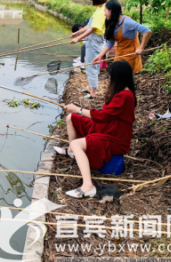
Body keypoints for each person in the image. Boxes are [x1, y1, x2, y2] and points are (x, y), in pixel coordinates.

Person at [54, 61, 136, 198]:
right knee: (71, 118)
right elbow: (106, 114)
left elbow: (103, 116)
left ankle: (88, 186)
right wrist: (77, 112)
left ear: (117, 77)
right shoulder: (122, 92)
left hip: (115, 138)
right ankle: (71, 151)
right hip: (107, 129)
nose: (109, 79)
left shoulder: (125, 96)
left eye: (111, 76)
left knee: (76, 142)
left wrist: (79, 109)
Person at [93, 0, 152, 74]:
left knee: (125, 78)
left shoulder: (127, 22)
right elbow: (110, 42)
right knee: (115, 74)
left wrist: (141, 48)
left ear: (112, 11)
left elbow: (147, 31)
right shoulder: (111, 22)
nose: (104, 14)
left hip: (130, 55)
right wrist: (100, 55)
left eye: (105, 11)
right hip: (120, 54)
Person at [70, 0, 108, 99]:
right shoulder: (99, 9)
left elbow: (94, 28)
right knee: (89, 64)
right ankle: (89, 88)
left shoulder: (101, 11)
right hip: (92, 40)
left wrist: (78, 38)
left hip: (95, 41)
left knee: (91, 66)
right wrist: (77, 33)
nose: (91, 1)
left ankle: (93, 94)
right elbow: (90, 25)